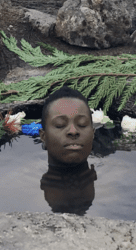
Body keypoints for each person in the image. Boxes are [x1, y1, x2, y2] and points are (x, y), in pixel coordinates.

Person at [39, 85, 97, 214]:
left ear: (93, 133)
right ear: (43, 136)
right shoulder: (17, 188)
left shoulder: (122, 184)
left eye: (82, 124)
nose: (73, 131)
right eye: (60, 125)